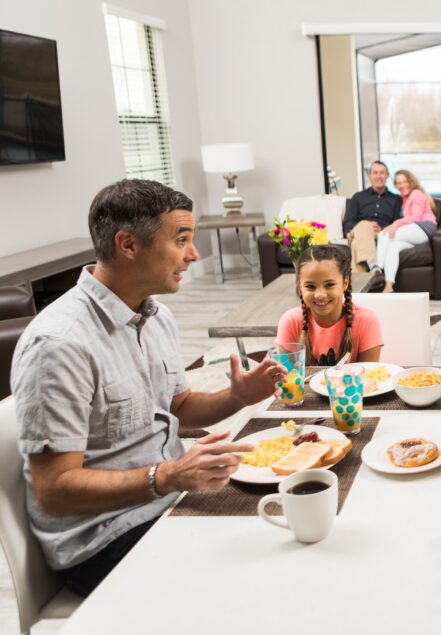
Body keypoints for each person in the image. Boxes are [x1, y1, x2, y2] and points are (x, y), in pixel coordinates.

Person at [11, 179, 284, 597]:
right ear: (128, 245)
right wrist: (169, 474)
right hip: (103, 539)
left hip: (168, 499)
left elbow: (180, 405)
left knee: (290, 518)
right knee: (259, 575)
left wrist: (237, 397)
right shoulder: (59, 344)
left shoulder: (156, 317)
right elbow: (55, 491)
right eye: (181, 240)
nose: (193, 255)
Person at [276, 244, 384, 365]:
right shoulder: (290, 321)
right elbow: (286, 376)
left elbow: (370, 377)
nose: (320, 294)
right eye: (310, 286)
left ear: (345, 283)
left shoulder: (366, 321)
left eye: (329, 285)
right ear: (300, 287)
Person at [374, 169, 437, 293]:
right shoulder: (404, 198)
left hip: (423, 227)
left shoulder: (416, 194)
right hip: (415, 233)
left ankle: (377, 271)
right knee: (393, 247)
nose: (402, 185)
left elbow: (416, 217)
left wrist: (395, 225)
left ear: (411, 182)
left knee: (384, 234)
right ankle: (388, 286)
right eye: (399, 183)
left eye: (404, 181)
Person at [342, 160, 403, 274]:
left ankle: (358, 289)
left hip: (381, 234)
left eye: (382, 173)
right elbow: (348, 223)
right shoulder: (358, 197)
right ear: (369, 175)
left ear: (387, 175)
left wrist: (382, 228)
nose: (378, 176)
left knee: (356, 244)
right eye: (375, 173)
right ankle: (373, 263)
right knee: (364, 225)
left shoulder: (396, 200)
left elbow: (397, 224)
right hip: (356, 232)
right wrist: (365, 226)